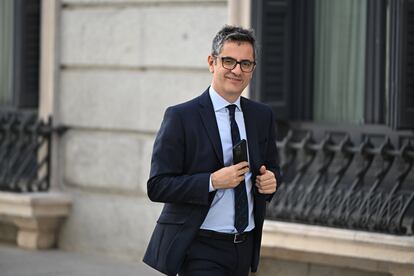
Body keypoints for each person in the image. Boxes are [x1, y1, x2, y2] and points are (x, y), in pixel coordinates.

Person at [143, 25, 281, 276]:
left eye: (245, 64)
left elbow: (272, 170)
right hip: (200, 246)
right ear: (212, 62)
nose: (237, 70)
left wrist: (271, 181)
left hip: (245, 247)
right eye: (228, 61)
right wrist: (212, 181)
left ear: (252, 69)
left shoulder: (262, 116)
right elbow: (157, 185)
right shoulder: (181, 116)